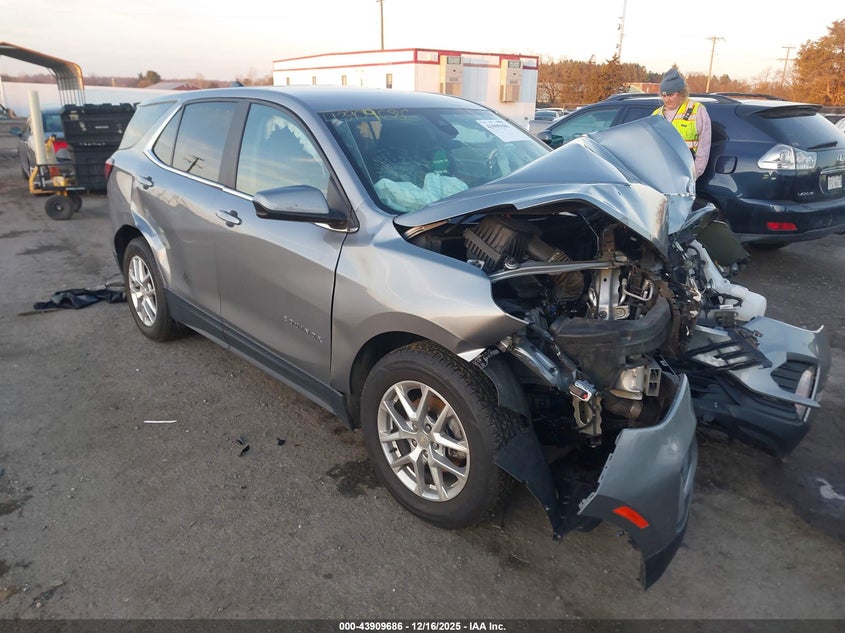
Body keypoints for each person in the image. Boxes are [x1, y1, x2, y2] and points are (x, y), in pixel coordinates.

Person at [652, 68, 711, 179]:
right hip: (661, 174)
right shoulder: (656, 114)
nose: (667, 100)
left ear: (681, 93)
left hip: (685, 174)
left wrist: (694, 175)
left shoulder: (696, 110)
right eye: (663, 96)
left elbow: (704, 146)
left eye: (670, 95)